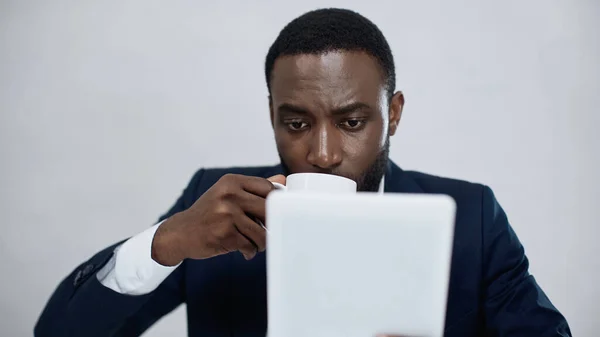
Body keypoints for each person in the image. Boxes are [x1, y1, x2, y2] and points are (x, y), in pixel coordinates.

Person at [35, 8, 571, 337]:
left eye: (353, 121)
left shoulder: (472, 217)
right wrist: (163, 243)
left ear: (396, 114)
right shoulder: (214, 207)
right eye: (295, 122)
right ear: (271, 115)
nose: (322, 152)